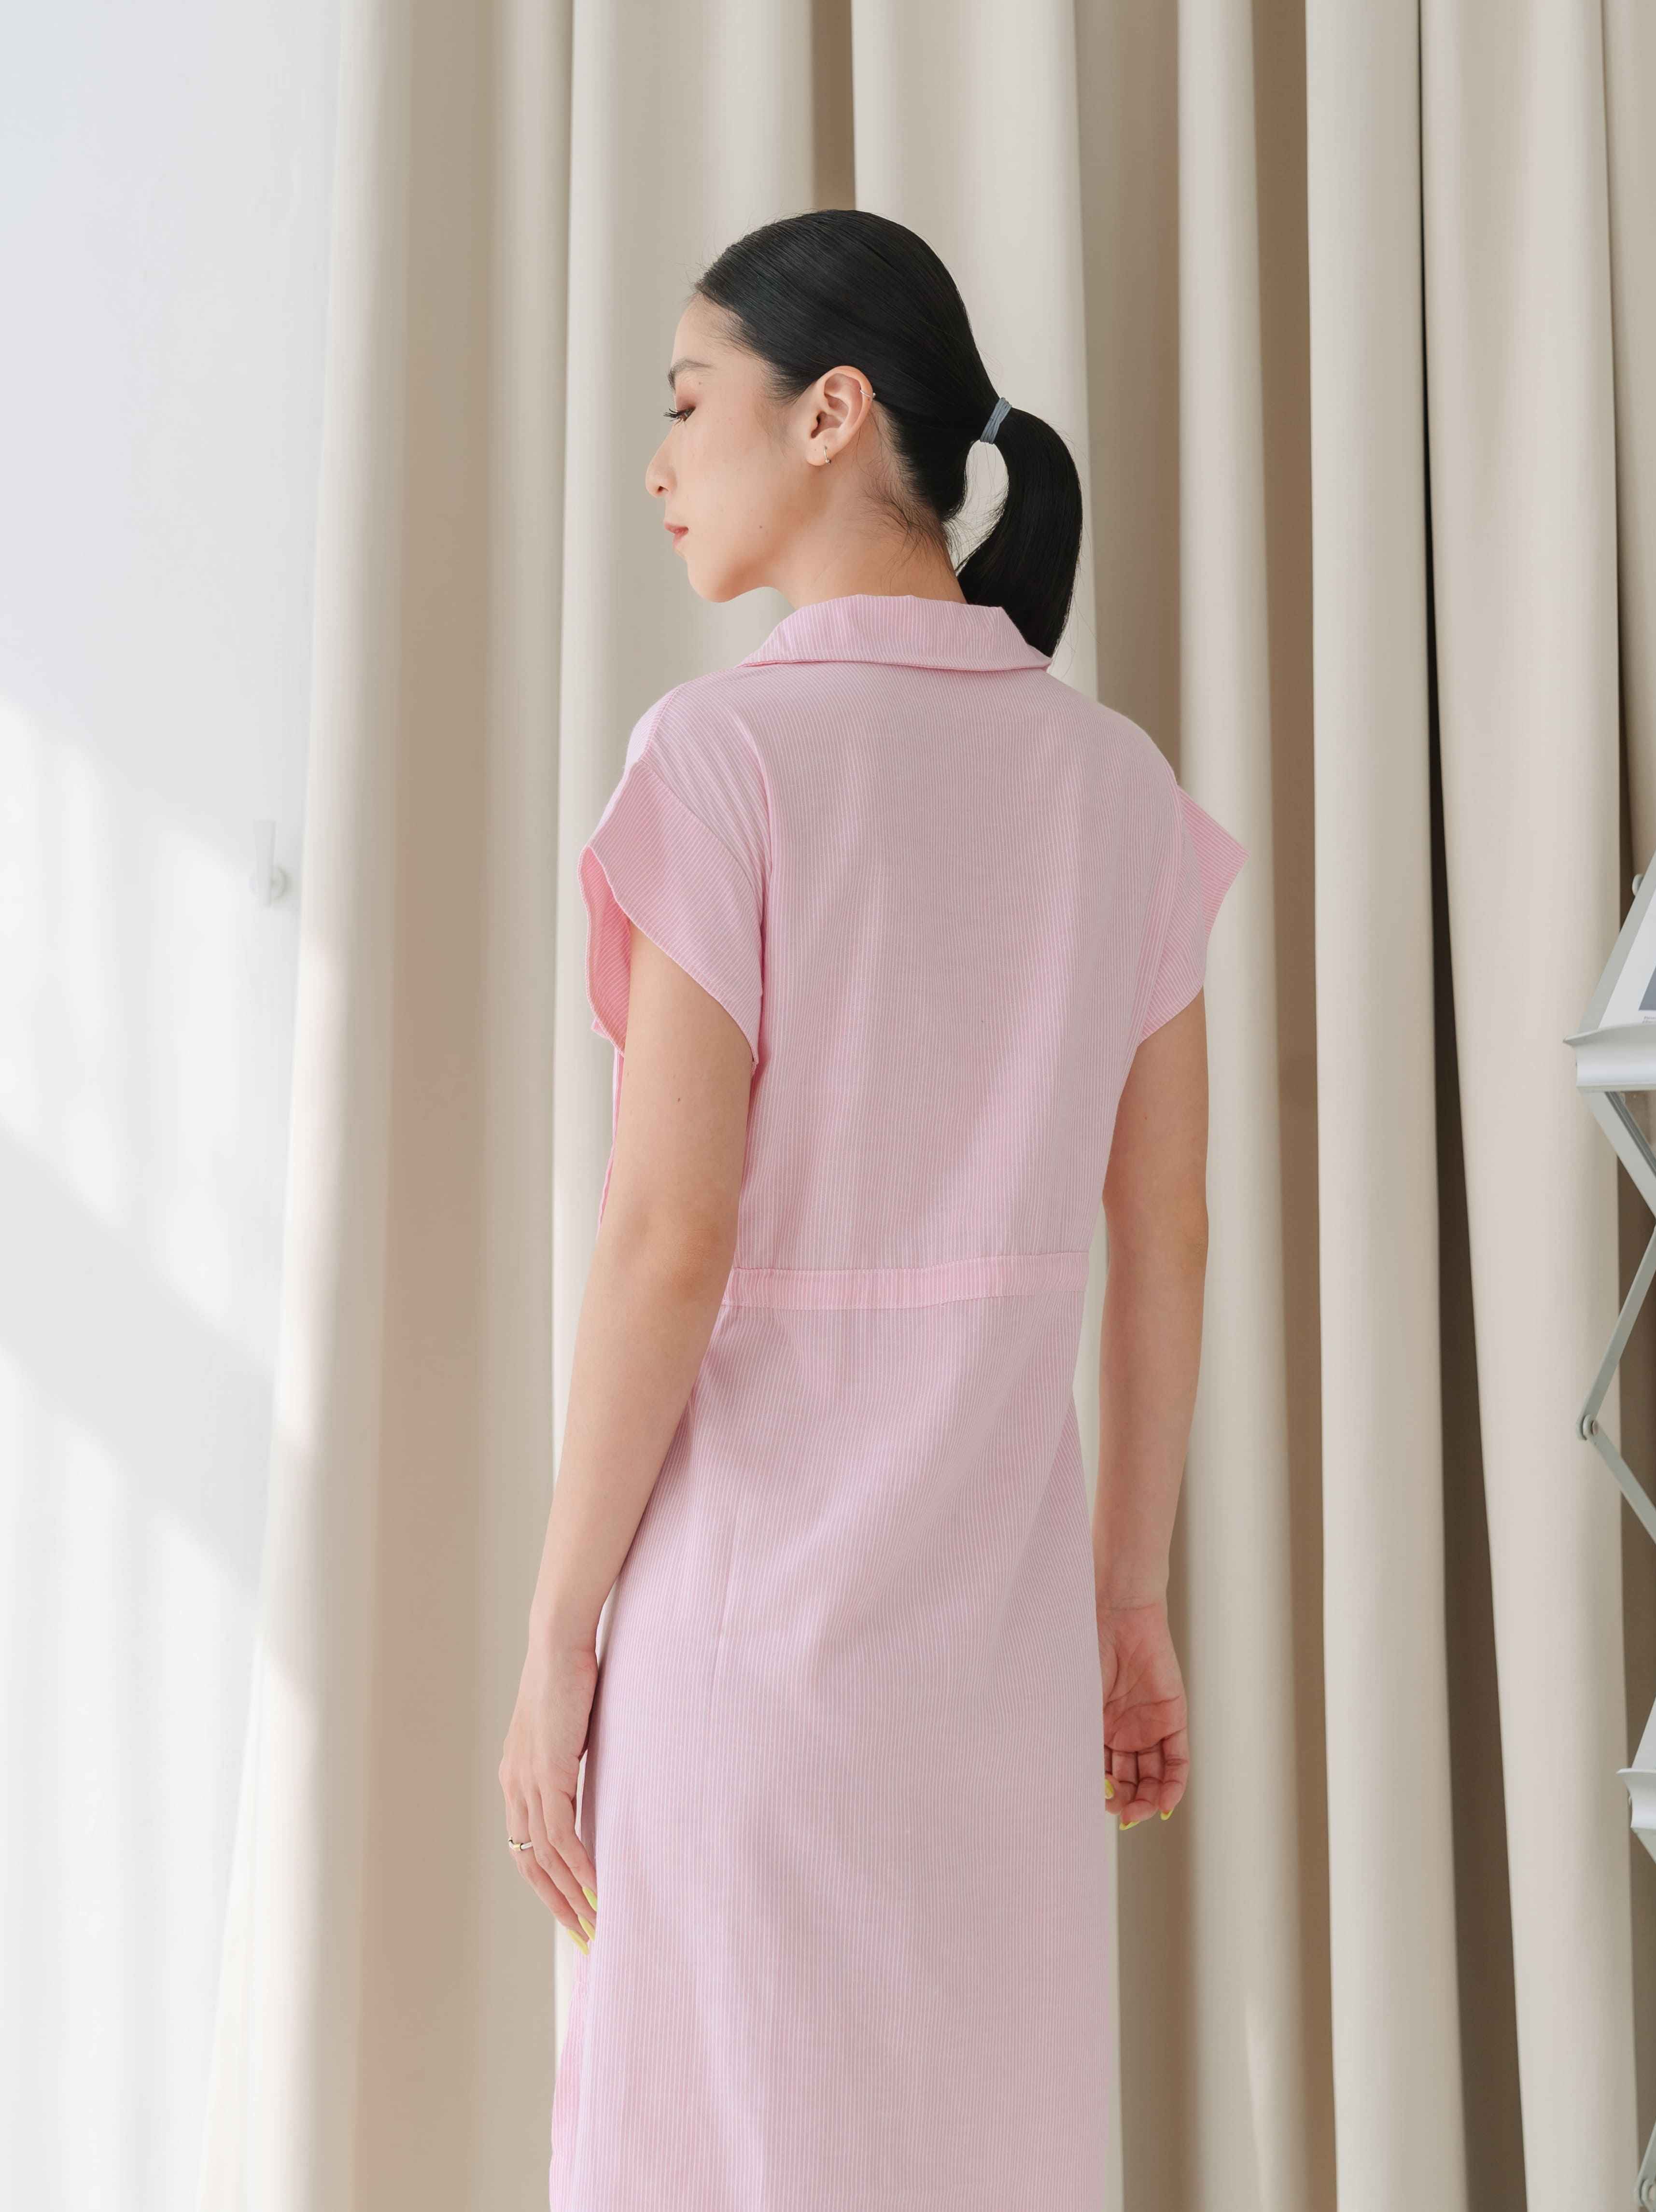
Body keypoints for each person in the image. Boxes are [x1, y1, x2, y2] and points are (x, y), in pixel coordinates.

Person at [498, 208, 1249, 2212]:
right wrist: (1125, 1601)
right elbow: (1165, 1236)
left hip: (747, 1666)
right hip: (994, 1687)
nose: (656, 465)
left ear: (829, 413)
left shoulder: (720, 758)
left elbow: (668, 1241)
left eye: (688, 405)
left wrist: (560, 1637)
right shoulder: (1114, 785)